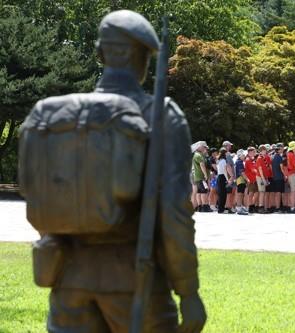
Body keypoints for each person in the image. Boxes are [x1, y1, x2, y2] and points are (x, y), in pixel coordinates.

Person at [18, 10, 206, 332]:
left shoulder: (55, 117)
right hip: (136, 281)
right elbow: (174, 208)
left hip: (68, 281)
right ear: (142, 58)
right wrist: (188, 290)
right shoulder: (160, 113)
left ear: (100, 54)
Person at [192, 141, 211, 212]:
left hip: (197, 177)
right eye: (203, 147)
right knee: (204, 191)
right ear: (199, 147)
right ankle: (205, 206)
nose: (204, 148)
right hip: (201, 176)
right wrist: (205, 175)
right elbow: (202, 165)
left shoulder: (196, 154)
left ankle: (200, 207)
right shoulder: (199, 155)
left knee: (199, 192)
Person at [271, 143, 286, 212]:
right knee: (279, 193)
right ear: (279, 149)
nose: (283, 149)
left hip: (275, 176)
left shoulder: (273, 156)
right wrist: (285, 175)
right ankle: (278, 207)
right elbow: (281, 167)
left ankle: (277, 207)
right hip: (279, 177)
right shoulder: (279, 157)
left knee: (278, 192)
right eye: (282, 148)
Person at [222, 140, 236, 213]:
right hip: (229, 175)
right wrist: (232, 176)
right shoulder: (227, 154)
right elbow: (228, 165)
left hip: (227, 175)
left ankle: (228, 207)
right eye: (229, 145)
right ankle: (228, 207)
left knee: (229, 192)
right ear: (225, 146)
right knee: (229, 193)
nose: (230, 146)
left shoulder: (223, 154)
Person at [235, 149, 249, 215]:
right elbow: (242, 173)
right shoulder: (239, 162)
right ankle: (239, 208)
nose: (245, 156)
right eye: (243, 155)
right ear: (240, 155)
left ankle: (239, 207)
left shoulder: (238, 161)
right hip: (240, 179)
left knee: (240, 194)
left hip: (239, 179)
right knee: (240, 194)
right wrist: (247, 179)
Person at [244, 147, 258, 213]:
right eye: (253, 152)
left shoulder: (253, 159)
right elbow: (252, 169)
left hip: (255, 179)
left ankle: (252, 205)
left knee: (256, 193)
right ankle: (250, 206)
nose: (255, 153)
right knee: (251, 193)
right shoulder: (248, 160)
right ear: (249, 152)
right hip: (251, 179)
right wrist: (259, 172)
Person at [216, 148, 229, 214]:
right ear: (225, 153)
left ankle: (220, 209)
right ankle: (221, 209)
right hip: (222, 177)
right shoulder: (223, 160)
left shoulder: (219, 160)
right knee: (223, 194)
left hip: (219, 176)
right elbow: (224, 170)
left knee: (220, 193)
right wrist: (227, 179)